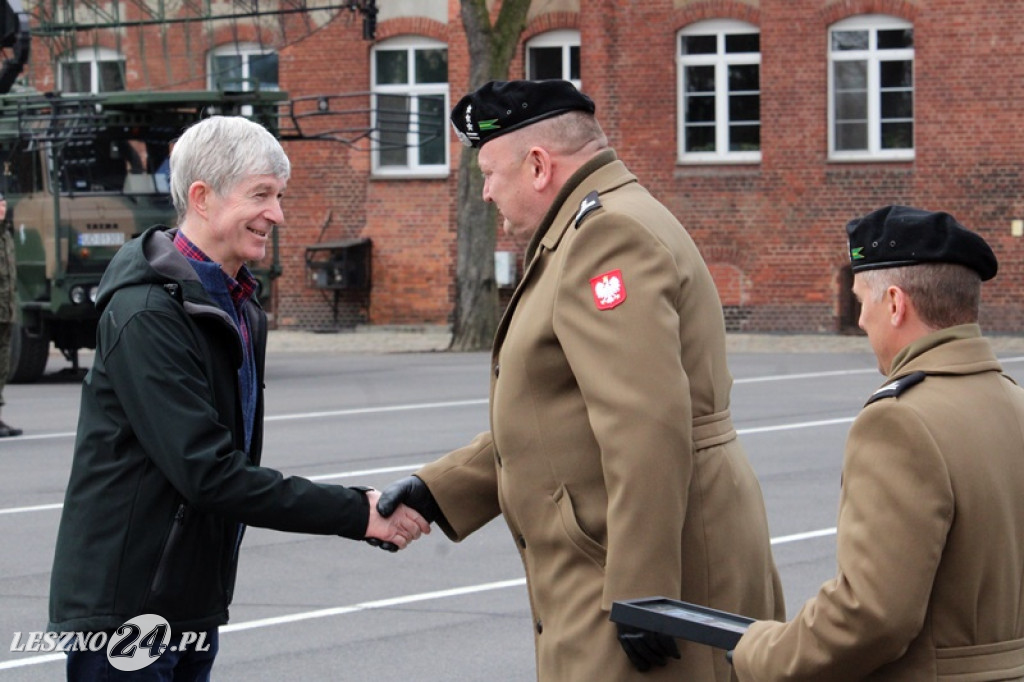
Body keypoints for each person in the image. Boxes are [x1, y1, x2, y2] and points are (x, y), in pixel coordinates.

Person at [377, 80, 785, 681]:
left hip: (649, 568)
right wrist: (441, 490)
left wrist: (644, 593)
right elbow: (556, 409)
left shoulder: (605, 237)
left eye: (490, 173)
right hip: (639, 558)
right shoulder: (589, 226)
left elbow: (645, 424)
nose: (486, 193)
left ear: (539, 165)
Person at [47, 115, 429, 680]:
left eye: (279, 196)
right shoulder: (147, 312)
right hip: (126, 607)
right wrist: (357, 512)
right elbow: (208, 471)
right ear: (201, 197)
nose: (276, 213)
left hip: (189, 598)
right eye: (261, 195)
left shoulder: (238, 305)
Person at [731, 205, 1024, 681]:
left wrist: (759, 652)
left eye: (861, 301)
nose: (861, 320)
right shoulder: (1012, 401)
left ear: (894, 303)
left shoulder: (901, 422)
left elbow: (871, 615)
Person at [0, 190, 22, 437]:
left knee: (2, 366)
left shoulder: (6, 235)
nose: (2, 208)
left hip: (6, 311)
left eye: (4, 204)